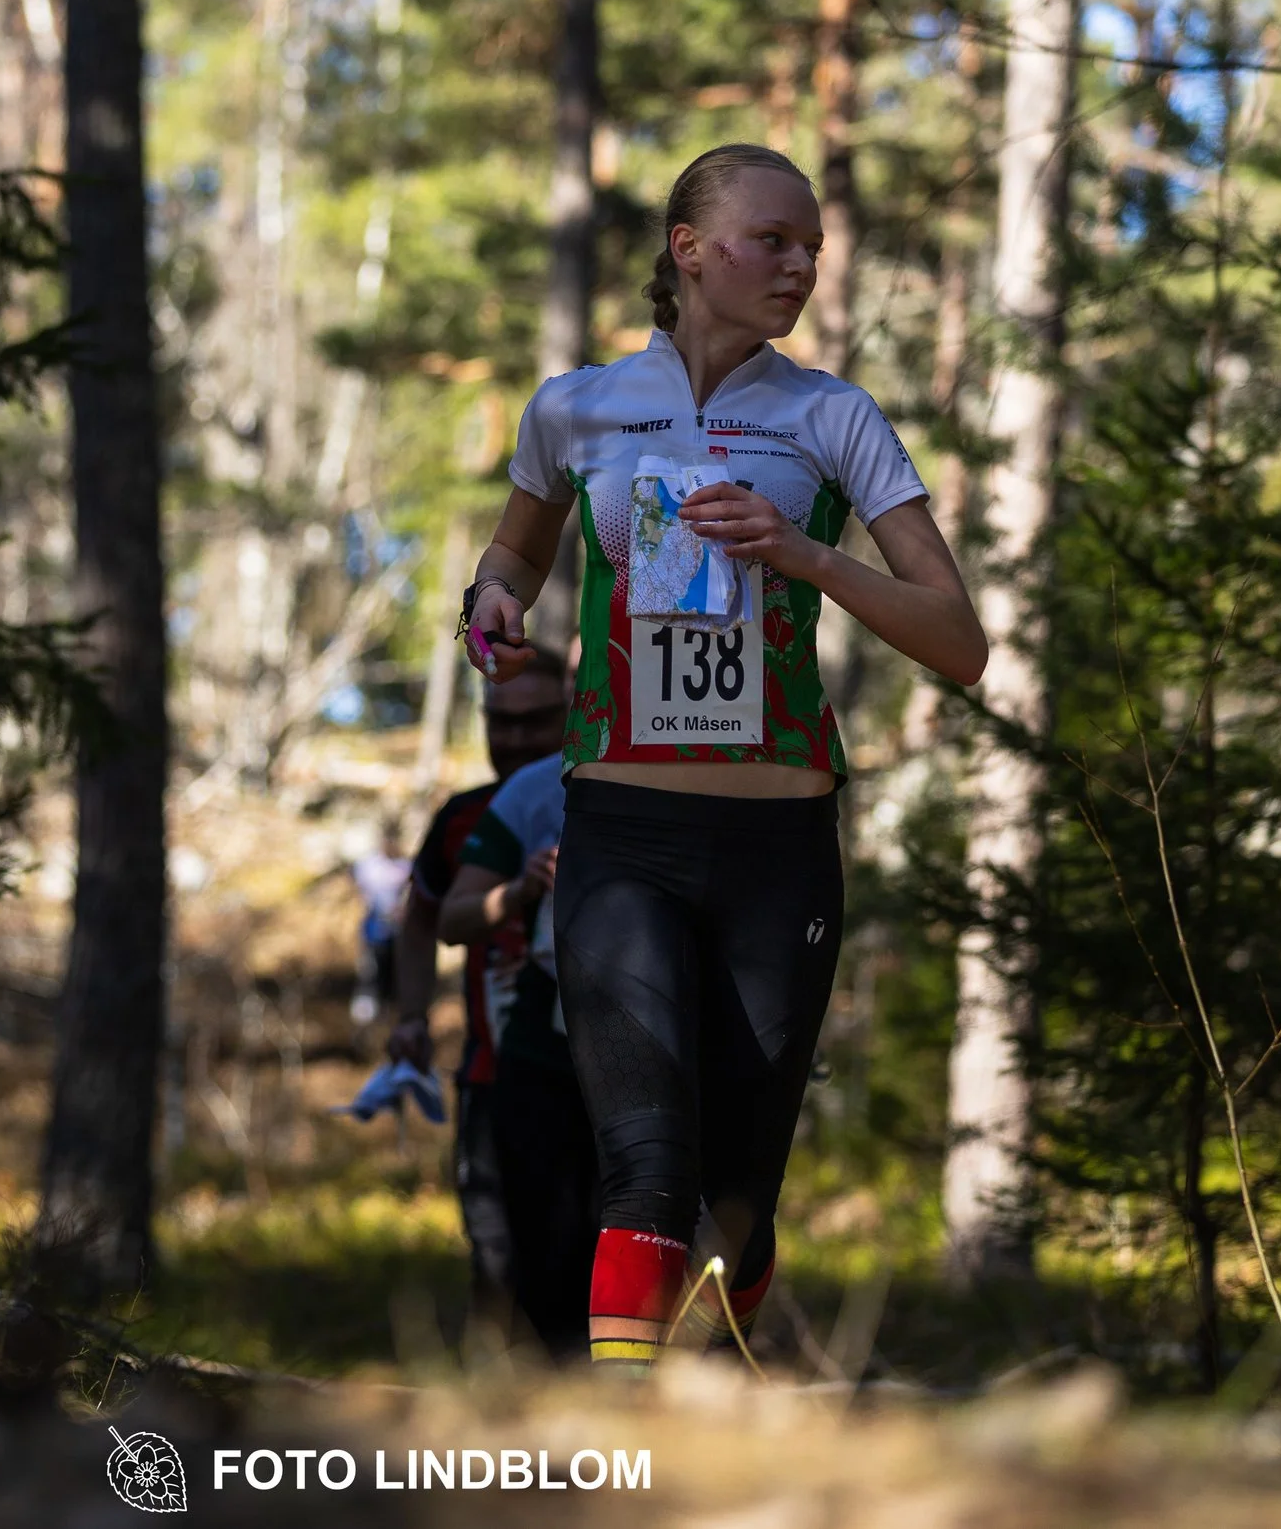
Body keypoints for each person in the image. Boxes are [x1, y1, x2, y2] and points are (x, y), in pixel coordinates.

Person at [460, 143, 987, 1373]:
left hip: (776, 848)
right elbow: (514, 558)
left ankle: (728, 1370)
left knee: (739, 1193)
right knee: (642, 1161)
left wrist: (806, 556)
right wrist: (491, 606)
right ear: (688, 249)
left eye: (813, 246)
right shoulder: (575, 406)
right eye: (773, 240)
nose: (800, 265)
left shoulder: (829, 417)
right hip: (621, 832)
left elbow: (957, 641)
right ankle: (629, 1461)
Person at [384, 652, 569, 1332]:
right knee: (496, 1258)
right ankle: (496, 1411)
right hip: (493, 1074)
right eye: (501, 722)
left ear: (574, 710)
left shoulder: (602, 792)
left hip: (590, 1077)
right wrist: (410, 1015)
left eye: (537, 720)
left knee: (573, 1254)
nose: (517, 738)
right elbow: (421, 915)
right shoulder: (463, 818)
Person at [437, 747, 599, 1360]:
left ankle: (632, 1386)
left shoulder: (686, 764)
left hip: (656, 1023)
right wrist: (522, 888)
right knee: (535, 1239)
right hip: (542, 1029)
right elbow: (447, 916)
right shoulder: (533, 790)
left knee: (628, 1222)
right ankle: (543, 1388)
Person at [348, 825, 410, 1028]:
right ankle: (363, 1026)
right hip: (373, 932)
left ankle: (391, 1021)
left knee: (393, 980)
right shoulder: (369, 866)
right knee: (369, 977)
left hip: (397, 934)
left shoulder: (405, 867)